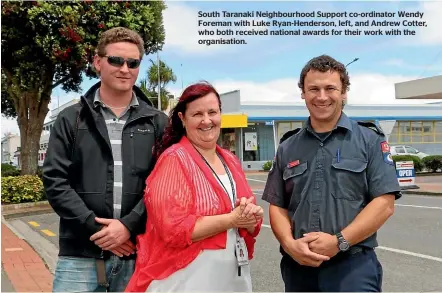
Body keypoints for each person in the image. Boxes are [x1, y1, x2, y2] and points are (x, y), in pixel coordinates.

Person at [42, 27, 168, 292]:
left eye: (133, 63)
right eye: (116, 60)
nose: (125, 68)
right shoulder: (71, 119)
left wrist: (128, 227)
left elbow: (166, 186)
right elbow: (55, 181)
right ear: (98, 62)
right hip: (79, 256)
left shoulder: (158, 123)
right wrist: (98, 230)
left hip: (138, 253)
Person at [262, 55, 402, 292]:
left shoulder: (369, 141)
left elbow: (384, 203)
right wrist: (288, 244)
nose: (322, 96)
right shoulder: (287, 146)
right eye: (313, 89)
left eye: (330, 88)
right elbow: (277, 205)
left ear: (344, 92)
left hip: (352, 267)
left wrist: (339, 241)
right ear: (303, 93)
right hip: (299, 267)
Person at [124, 82, 264, 292]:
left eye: (212, 112)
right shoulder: (174, 159)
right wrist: (232, 219)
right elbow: (173, 230)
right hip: (186, 279)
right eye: (197, 114)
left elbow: (247, 221)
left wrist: (252, 217)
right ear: (182, 118)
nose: (207, 120)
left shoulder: (231, 160)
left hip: (231, 278)